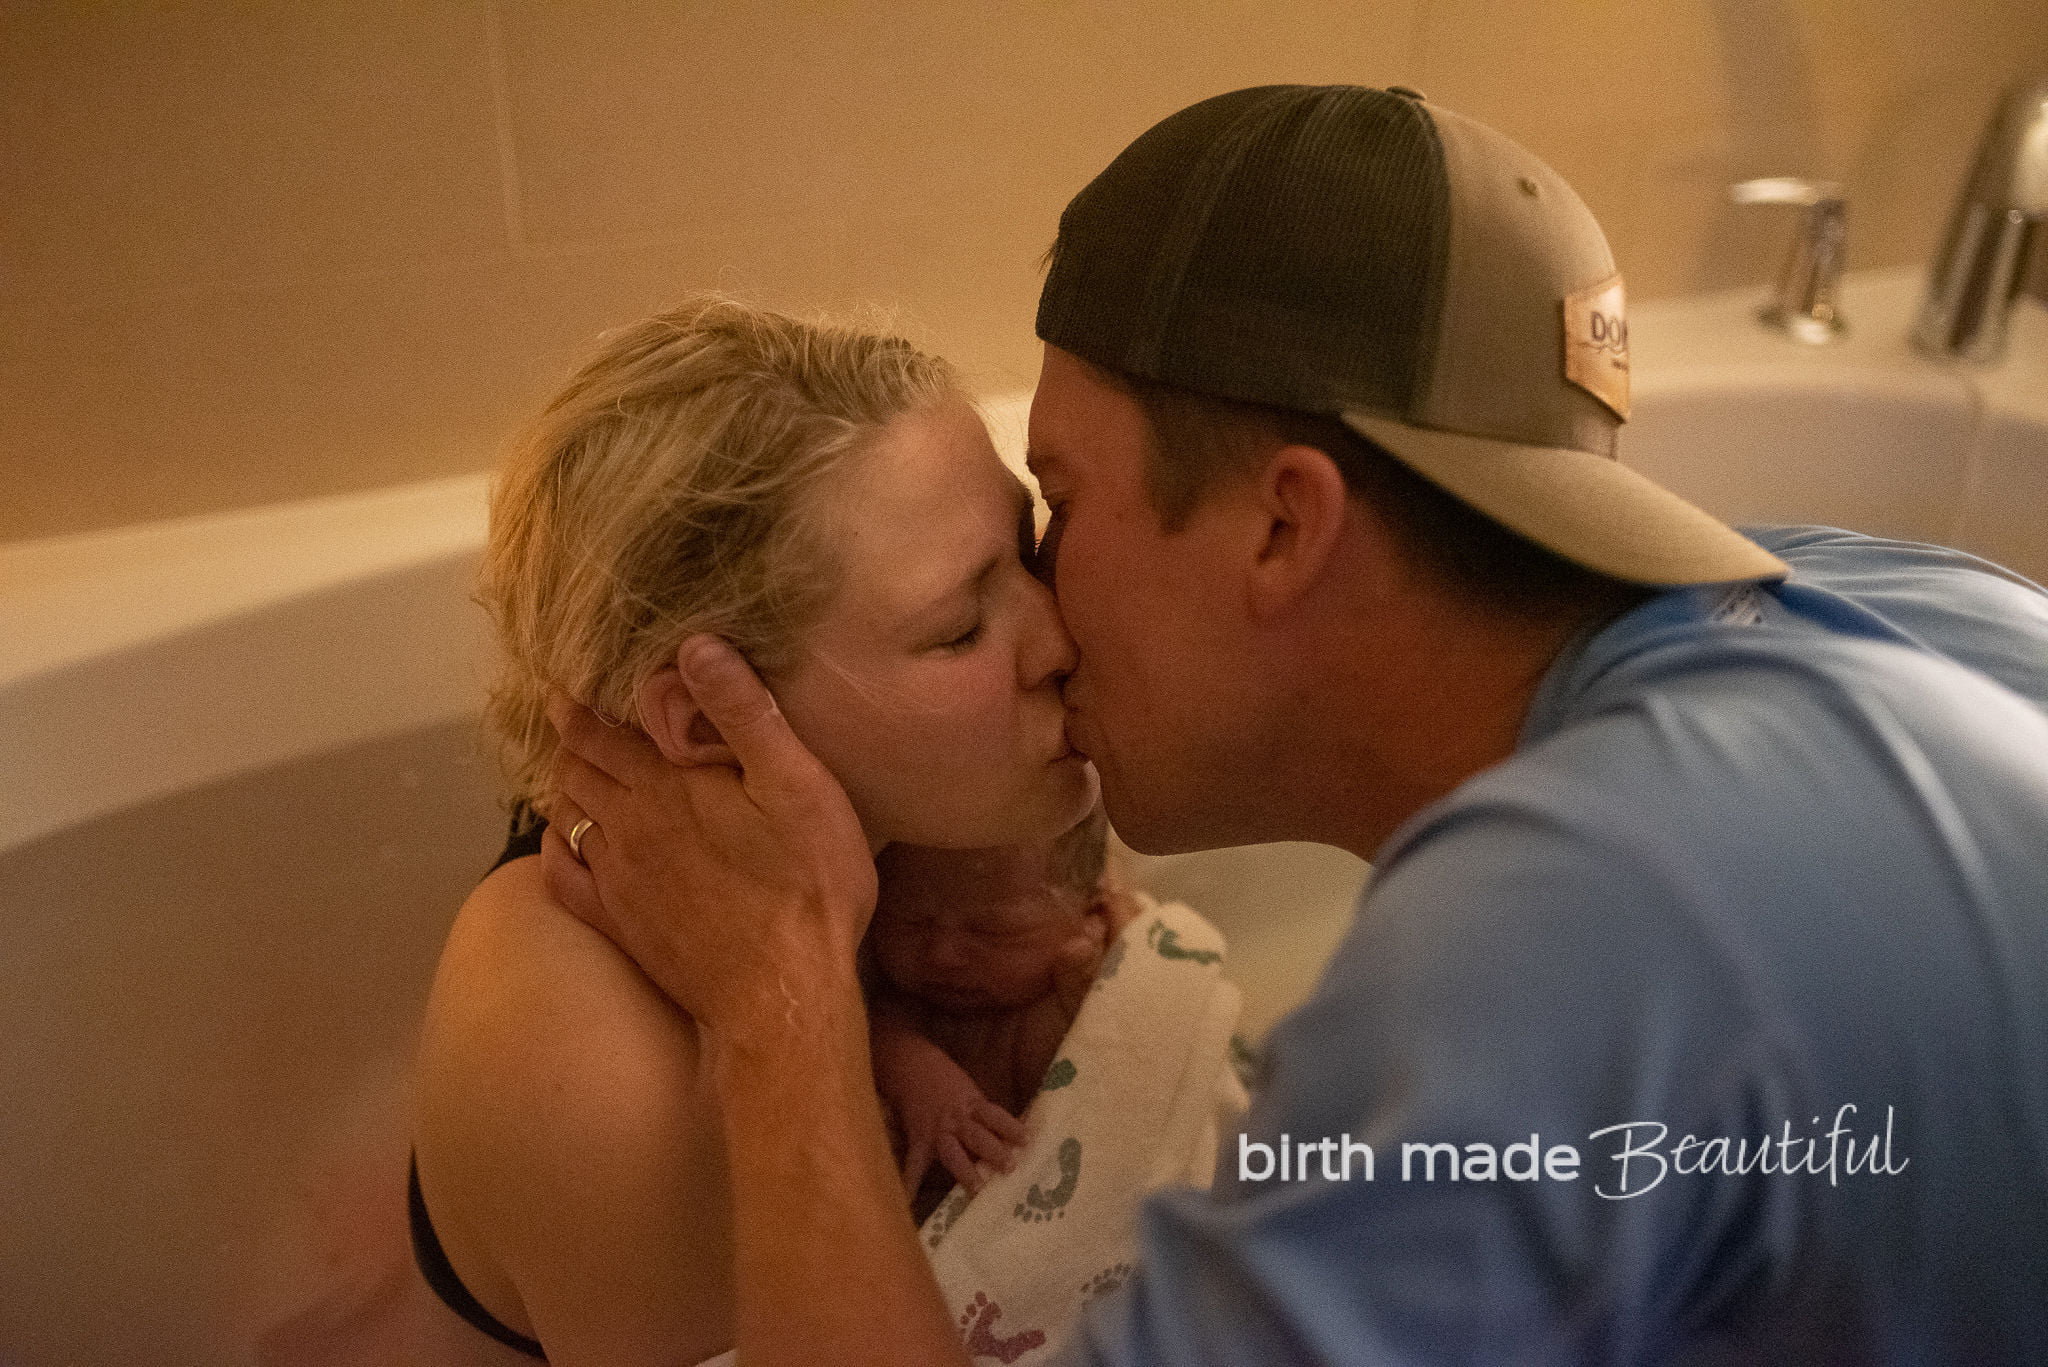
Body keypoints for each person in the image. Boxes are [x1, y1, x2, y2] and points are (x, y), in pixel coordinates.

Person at [544, 85, 2048, 1364]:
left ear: (1282, 525)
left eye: (1061, 502)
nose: (1049, 610)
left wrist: (782, 1000)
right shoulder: (1902, 601)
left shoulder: (1564, 931)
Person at [405, 296, 1098, 1364]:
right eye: (960, 628)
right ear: (704, 725)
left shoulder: (920, 808)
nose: (1060, 635)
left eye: (1025, 547)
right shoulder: (609, 1089)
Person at [867, 803, 1137, 1216]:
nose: (942, 955)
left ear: (1091, 919)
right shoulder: (904, 1007)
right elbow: (861, 1035)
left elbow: (1127, 1081)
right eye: (909, 920)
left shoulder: (1073, 987)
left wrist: (1094, 996)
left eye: (994, 931)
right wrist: (919, 1074)